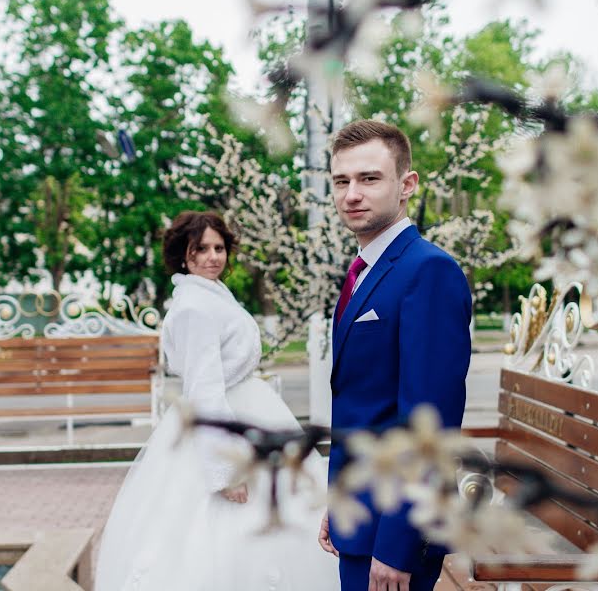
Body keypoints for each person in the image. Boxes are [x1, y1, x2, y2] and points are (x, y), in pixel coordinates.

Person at [95, 210, 339, 591]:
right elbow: (204, 389)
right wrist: (225, 472)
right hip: (223, 425)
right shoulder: (194, 307)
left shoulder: (209, 295)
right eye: (201, 249)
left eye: (219, 248)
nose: (212, 257)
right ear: (183, 255)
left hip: (250, 410)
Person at [317, 120, 472, 591]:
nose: (352, 194)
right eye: (341, 181)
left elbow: (429, 424)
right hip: (361, 515)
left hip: (393, 533)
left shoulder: (429, 271)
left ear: (407, 185)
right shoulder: (366, 269)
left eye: (369, 178)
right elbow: (365, 406)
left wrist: (398, 545)